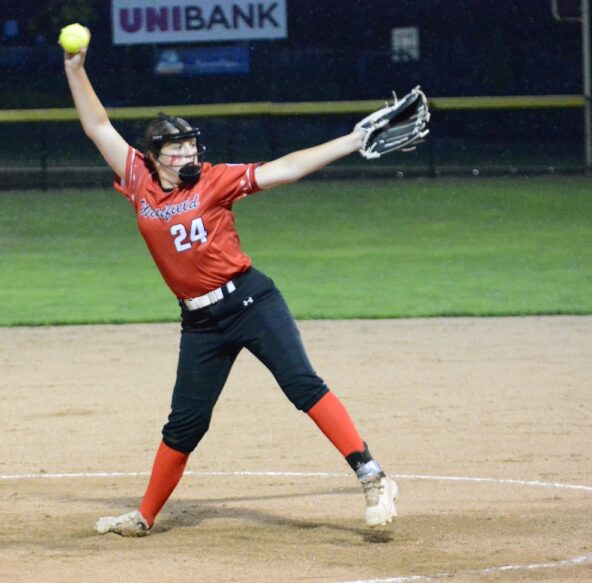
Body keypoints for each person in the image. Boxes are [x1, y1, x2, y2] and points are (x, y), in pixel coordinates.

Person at [63, 43, 398, 537]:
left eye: (191, 145)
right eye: (175, 148)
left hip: (250, 301)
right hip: (199, 322)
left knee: (301, 385)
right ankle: (144, 516)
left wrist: (351, 141)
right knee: (184, 425)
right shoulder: (138, 179)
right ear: (152, 157)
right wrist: (75, 67)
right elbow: (96, 125)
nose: (187, 153)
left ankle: (373, 477)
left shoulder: (215, 181)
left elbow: (285, 168)